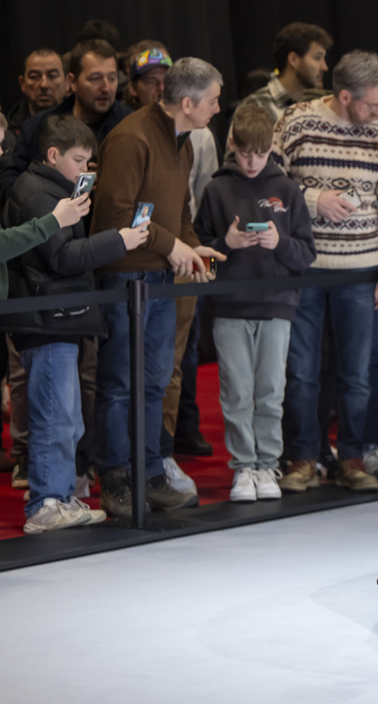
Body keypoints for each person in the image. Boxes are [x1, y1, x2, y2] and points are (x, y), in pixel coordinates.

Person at [90, 58, 226, 517]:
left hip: (161, 279)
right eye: (212, 100)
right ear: (187, 102)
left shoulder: (183, 141)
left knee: (153, 382)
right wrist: (173, 246)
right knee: (119, 384)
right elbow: (114, 217)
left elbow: (179, 211)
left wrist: (192, 246)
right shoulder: (131, 138)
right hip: (126, 279)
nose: (217, 108)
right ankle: (115, 479)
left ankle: (148, 473)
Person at [2, 115, 149, 532]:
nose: (87, 170)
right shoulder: (39, 194)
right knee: (55, 414)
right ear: (53, 155)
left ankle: (60, 496)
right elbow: (61, 258)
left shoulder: (52, 190)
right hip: (46, 320)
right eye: (80, 161)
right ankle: (46, 502)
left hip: (57, 317)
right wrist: (119, 240)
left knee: (67, 415)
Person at [273, 51, 378, 492]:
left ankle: (352, 456)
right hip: (305, 268)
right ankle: (303, 458)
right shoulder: (296, 121)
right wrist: (314, 202)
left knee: (359, 372)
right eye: (371, 104)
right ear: (344, 95)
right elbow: (269, 185)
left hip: (362, 268)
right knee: (303, 371)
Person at [0, 104, 91, 542]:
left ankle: (54, 499)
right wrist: (53, 221)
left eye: (2, 142)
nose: (1, 151)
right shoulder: (2, 190)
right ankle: (46, 502)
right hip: (4, 315)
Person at [194, 105, 315, 502]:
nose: (251, 162)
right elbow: (198, 251)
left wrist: (279, 242)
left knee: (269, 391)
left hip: (277, 304)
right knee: (236, 392)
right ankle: (244, 467)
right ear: (232, 145)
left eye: (259, 154)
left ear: (270, 150)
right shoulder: (216, 189)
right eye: (245, 153)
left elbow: (306, 254)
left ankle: (268, 464)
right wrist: (223, 245)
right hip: (230, 306)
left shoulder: (288, 189)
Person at [0, 39, 132, 206]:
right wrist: (53, 181)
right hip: (51, 222)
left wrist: (108, 181)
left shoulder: (130, 125)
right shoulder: (39, 124)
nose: (106, 88)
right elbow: (8, 182)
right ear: (72, 82)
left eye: (112, 78)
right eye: (95, 78)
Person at [233, 23, 332, 126]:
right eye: (317, 57)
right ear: (293, 59)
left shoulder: (320, 104)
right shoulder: (254, 107)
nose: (324, 67)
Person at [5, 49, 67, 137]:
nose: (44, 85)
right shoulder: (6, 131)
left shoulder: (83, 126)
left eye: (52, 76)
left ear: (67, 82)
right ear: (22, 83)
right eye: (34, 77)